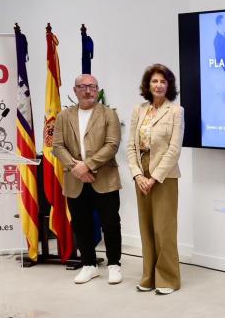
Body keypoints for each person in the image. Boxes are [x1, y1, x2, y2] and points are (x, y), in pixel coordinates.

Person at [52, 74, 123, 285]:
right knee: (81, 223)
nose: (88, 91)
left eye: (92, 86)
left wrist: (88, 165)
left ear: (97, 89)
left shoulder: (109, 114)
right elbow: (57, 146)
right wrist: (77, 168)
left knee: (110, 223)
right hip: (75, 179)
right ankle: (89, 265)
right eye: (82, 87)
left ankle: (114, 265)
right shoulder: (63, 116)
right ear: (75, 90)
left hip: (105, 178)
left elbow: (112, 145)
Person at [127, 64, 184, 295]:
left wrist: (154, 177)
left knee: (164, 229)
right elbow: (131, 145)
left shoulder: (176, 111)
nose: (158, 85)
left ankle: (168, 279)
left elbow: (174, 149)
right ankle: (149, 277)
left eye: (163, 81)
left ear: (168, 86)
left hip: (165, 175)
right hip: (141, 173)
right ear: (148, 85)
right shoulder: (138, 110)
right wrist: (137, 174)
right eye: (154, 81)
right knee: (147, 228)